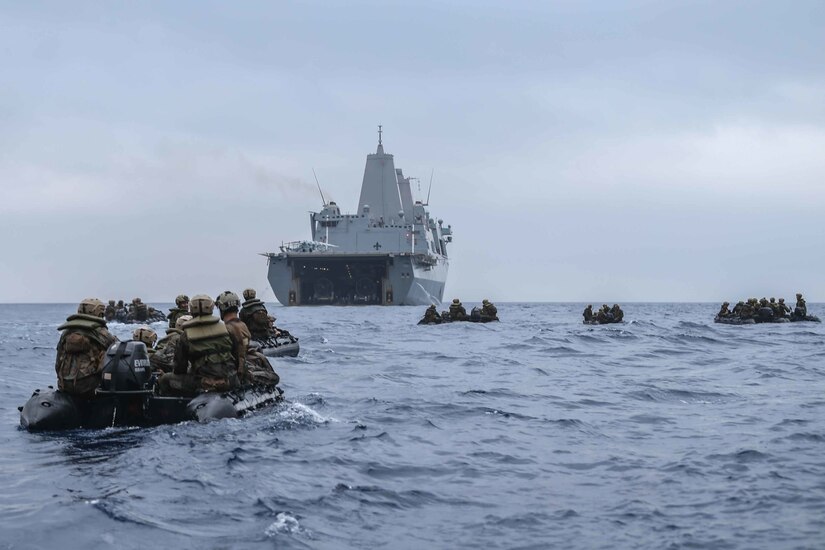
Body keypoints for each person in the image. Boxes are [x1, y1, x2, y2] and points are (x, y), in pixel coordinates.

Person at [158, 295, 239, 396]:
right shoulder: (227, 329)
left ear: (191, 309)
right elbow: (237, 357)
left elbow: (180, 369)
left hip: (204, 383)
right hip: (230, 380)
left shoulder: (186, 335)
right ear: (211, 308)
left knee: (165, 379)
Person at [54, 298, 118, 399]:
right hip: (89, 387)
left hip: (64, 385)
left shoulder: (66, 332)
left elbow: (58, 362)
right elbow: (117, 348)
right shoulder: (101, 332)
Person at [216, 291, 279, 386]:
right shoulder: (243, 326)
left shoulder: (225, 329)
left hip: (233, 370)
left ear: (222, 309)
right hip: (242, 369)